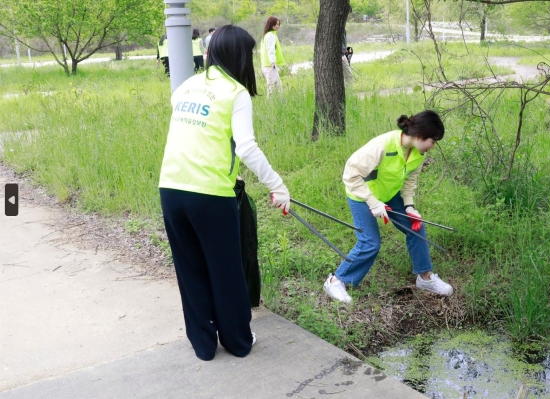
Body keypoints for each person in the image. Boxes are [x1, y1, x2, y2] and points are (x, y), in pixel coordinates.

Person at [158, 25, 291, 360]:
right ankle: (236, 340)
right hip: (210, 194)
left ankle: (203, 344)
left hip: (171, 188)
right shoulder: (236, 93)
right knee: (226, 268)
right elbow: (245, 148)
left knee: (190, 267)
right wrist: (277, 185)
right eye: (246, 54)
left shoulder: (186, 86)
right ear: (238, 56)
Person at [323, 110, 453, 304]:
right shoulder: (382, 145)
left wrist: (409, 206)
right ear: (420, 136)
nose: (433, 146)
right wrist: (373, 202)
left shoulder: (417, 153)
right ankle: (336, 281)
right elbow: (350, 175)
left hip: (389, 195)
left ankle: (425, 278)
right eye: (433, 141)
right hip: (361, 195)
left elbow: (410, 180)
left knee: (416, 225)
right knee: (370, 243)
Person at [260, 16, 285, 97]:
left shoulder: (267, 35)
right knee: (272, 89)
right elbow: (271, 50)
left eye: (278, 24)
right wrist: (272, 62)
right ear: (271, 24)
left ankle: (279, 104)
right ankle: (270, 106)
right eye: (276, 24)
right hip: (270, 66)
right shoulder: (270, 36)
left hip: (267, 65)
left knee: (278, 87)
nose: (278, 26)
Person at [342, 8, 353, 86]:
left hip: (342, 53)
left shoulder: (342, 26)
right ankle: (349, 92)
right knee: (348, 75)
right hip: (340, 55)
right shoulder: (337, 26)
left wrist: (344, 49)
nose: (348, 16)